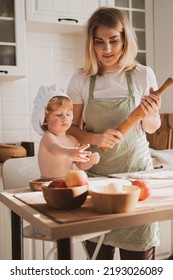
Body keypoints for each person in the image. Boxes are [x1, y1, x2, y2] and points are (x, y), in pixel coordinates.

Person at [66, 7, 161, 260]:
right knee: (99, 265)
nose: (106, 49)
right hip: (97, 184)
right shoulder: (81, 79)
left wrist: (151, 115)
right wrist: (96, 138)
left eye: (113, 40)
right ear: (91, 43)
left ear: (125, 39)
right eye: (99, 42)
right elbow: (71, 129)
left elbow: (151, 128)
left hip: (136, 182)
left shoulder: (142, 74)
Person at [31, 84, 100, 179]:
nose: (64, 118)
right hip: (48, 185)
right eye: (59, 115)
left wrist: (90, 161)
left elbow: (80, 165)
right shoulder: (48, 137)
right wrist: (69, 152)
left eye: (68, 114)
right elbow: (55, 149)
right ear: (45, 120)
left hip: (68, 183)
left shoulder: (72, 140)